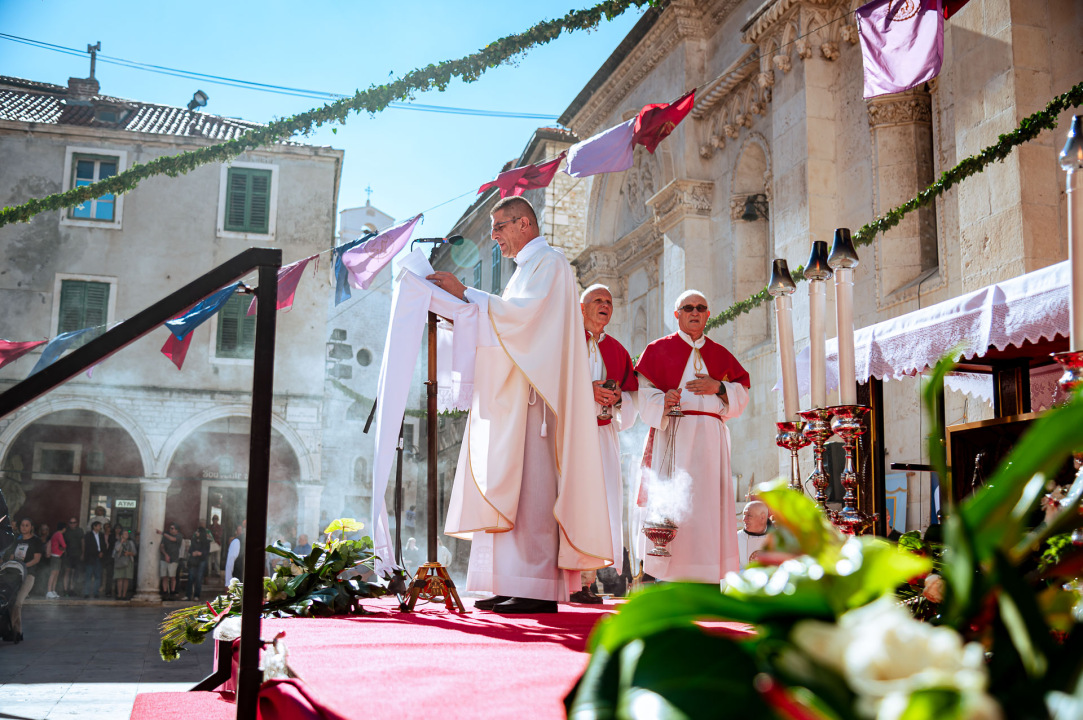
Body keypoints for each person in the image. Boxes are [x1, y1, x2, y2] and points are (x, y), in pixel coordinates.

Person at [429, 196, 612, 614]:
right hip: (517, 396)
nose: (493, 237)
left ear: (525, 223)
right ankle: (509, 580)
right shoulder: (524, 271)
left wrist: (466, 294)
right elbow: (507, 321)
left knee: (532, 493)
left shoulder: (550, 263)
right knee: (510, 488)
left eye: (499, 227)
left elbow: (522, 321)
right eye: (493, 228)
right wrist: (461, 309)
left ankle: (538, 588)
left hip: (536, 400)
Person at [634, 290, 751, 583]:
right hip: (675, 435)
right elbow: (643, 394)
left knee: (710, 507)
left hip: (712, 440)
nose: (695, 312)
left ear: (708, 314)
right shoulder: (658, 349)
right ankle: (669, 576)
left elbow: (742, 394)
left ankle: (710, 576)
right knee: (675, 503)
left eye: (701, 307)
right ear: (677, 314)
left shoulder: (720, 353)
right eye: (688, 308)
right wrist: (664, 399)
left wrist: (720, 388)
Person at [571, 284, 639, 605]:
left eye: (609, 302)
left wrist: (618, 398)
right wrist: (588, 389)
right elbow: (551, 385)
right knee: (573, 502)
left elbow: (634, 396)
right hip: (570, 436)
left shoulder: (617, 350)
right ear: (582, 307)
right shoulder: (566, 341)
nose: (604, 305)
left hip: (603, 435)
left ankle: (586, 582)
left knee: (601, 504)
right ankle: (563, 579)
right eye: (597, 300)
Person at [2, 518, 44, 643]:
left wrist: (23, 566)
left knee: (17, 603)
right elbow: (10, 557)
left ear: (31, 527)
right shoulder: (17, 541)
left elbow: (36, 559)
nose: (24, 527)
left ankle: (17, 631)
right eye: (22, 525)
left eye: (27, 525)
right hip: (13, 576)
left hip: (28, 575)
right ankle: (9, 630)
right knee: (7, 602)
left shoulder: (36, 541)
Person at [737, 501, 770, 569]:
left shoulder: (778, 539)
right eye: (744, 515)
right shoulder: (736, 538)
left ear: (762, 517)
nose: (744, 519)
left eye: (749, 515)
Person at [187, 518, 212, 601]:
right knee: (190, 577)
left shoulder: (206, 541)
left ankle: (196, 595)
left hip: (202, 561)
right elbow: (190, 549)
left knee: (199, 577)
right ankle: (188, 595)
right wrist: (193, 552)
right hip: (193, 560)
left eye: (198, 531)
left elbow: (206, 551)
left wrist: (200, 553)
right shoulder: (194, 540)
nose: (197, 533)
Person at [83, 520, 107, 599]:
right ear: (94, 526)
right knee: (88, 576)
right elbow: (89, 547)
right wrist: (98, 553)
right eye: (99, 526)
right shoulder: (88, 535)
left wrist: (102, 552)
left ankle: (96, 592)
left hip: (99, 558)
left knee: (98, 576)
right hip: (90, 558)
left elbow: (103, 545)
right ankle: (87, 592)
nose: (100, 527)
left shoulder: (101, 535)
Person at [158, 523, 182, 599]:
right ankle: (165, 592)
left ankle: (172, 592)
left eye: (172, 528)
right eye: (170, 528)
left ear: (176, 530)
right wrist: (165, 555)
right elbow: (161, 547)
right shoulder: (165, 536)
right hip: (164, 558)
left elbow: (173, 539)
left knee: (172, 576)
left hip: (174, 559)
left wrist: (162, 533)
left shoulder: (179, 536)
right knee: (164, 576)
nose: (170, 529)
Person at [62, 516, 84, 597]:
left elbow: (82, 542)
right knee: (67, 571)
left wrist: (83, 553)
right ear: (69, 523)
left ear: (77, 523)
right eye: (71, 522)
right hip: (68, 555)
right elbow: (61, 540)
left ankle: (71, 589)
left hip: (77, 554)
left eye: (74, 522)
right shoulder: (66, 531)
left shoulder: (80, 530)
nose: (72, 524)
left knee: (74, 573)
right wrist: (63, 551)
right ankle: (65, 590)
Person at [112, 529, 136, 600]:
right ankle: (119, 595)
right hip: (119, 562)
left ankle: (124, 595)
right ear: (121, 535)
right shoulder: (117, 542)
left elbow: (134, 553)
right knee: (120, 579)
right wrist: (121, 542)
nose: (127, 535)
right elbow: (115, 551)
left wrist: (128, 553)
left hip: (128, 562)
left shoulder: (131, 542)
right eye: (125, 534)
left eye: (127, 533)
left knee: (126, 579)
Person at [46, 520, 66, 599]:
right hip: (56, 556)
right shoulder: (59, 534)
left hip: (56, 556)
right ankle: (49, 591)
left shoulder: (55, 534)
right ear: (64, 528)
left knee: (55, 574)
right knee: (53, 574)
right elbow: (64, 545)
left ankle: (53, 591)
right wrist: (63, 549)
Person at [101, 522, 115, 597]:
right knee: (100, 574)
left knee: (109, 575)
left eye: (109, 526)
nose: (108, 528)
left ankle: (108, 591)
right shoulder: (101, 536)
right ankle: (99, 589)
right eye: (106, 526)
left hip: (110, 557)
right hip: (102, 556)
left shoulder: (113, 536)